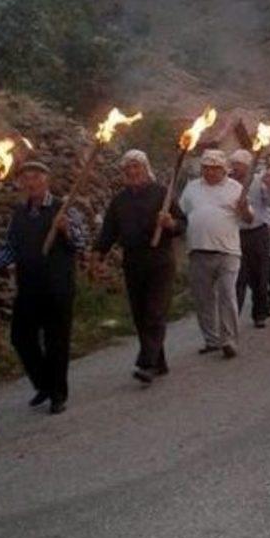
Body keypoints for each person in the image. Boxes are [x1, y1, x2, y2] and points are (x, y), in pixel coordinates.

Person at [0, 159, 87, 414]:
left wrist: (66, 230)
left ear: (47, 180)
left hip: (58, 287)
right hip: (29, 286)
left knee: (57, 341)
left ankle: (57, 394)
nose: (31, 182)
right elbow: (10, 247)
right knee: (20, 337)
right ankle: (44, 383)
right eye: (26, 178)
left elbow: (80, 243)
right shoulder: (20, 213)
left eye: (36, 177)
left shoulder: (64, 209)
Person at [91, 149, 186, 384]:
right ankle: (158, 361)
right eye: (128, 168)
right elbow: (108, 232)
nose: (132, 172)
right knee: (141, 315)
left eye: (137, 167)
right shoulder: (119, 201)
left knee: (155, 312)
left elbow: (183, 223)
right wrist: (97, 255)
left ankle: (146, 363)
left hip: (160, 261)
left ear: (146, 169)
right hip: (133, 262)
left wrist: (169, 223)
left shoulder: (161, 194)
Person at [179, 149, 252, 358]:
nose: (210, 172)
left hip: (227, 251)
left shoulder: (236, 188)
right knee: (203, 298)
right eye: (206, 168)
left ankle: (229, 340)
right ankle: (211, 339)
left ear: (223, 170)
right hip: (198, 250)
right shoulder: (192, 188)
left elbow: (248, 218)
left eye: (215, 169)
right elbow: (181, 215)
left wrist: (244, 208)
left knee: (227, 295)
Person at [229, 149, 270, 328]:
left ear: (248, 167)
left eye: (238, 165)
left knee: (260, 276)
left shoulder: (259, 181)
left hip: (257, 233)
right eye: (233, 165)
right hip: (235, 234)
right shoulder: (228, 184)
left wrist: (269, 186)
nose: (235, 168)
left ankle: (260, 313)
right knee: (238, 278)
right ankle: (233, 318)